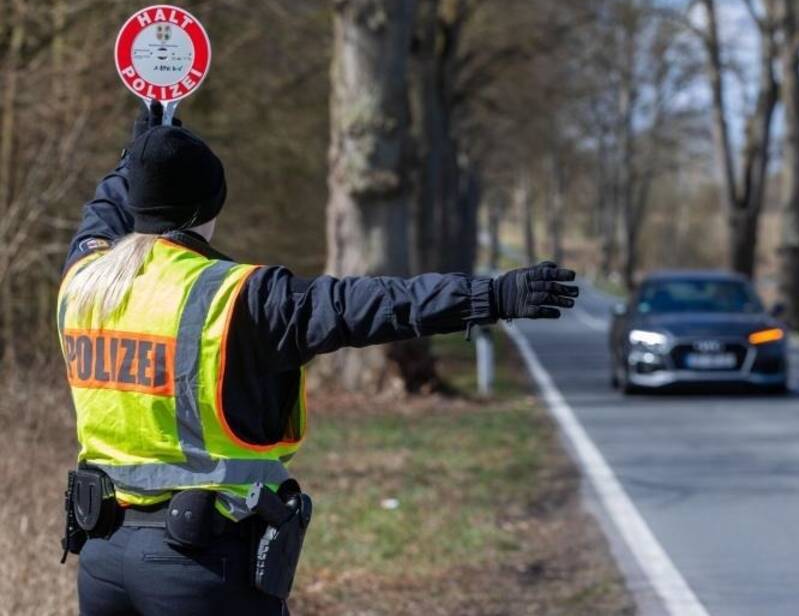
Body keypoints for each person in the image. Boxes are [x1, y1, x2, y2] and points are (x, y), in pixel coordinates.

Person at [56, 101, 579, 616]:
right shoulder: (239, 297)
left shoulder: (86, 279)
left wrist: (133, 158)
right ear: (210, 208)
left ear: (138, 200)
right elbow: (375, 305)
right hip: (201, 569)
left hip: (103, 561)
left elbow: (100, 214)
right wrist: (490, 297)